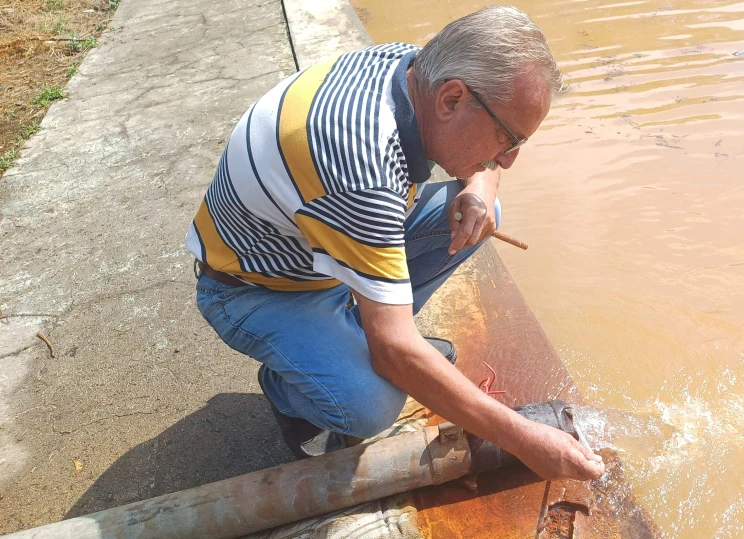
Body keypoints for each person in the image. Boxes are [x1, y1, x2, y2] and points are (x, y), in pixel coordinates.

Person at [186, 6, 604, 481]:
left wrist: (480, 190)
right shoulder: (362, 171)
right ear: (451, 100)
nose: (505, 162)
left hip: (319, 249)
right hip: (256, 288)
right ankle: (288, 386)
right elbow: (394, 352)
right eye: (507, 138)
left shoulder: (411, 68)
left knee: (482, 214)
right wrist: (529, 441)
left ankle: (354, 328)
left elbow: (482, 173)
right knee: (371, 405)